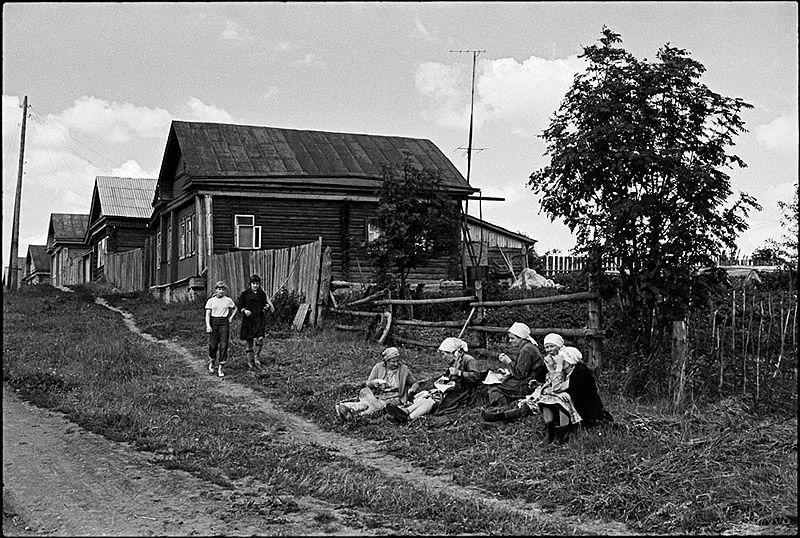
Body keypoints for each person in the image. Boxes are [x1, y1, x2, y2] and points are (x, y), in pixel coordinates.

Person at [384, 337, 485, 423]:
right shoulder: (455, 360)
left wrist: (459, 373)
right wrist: (439, 386)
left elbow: (476, 376)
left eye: (445, 354)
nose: (443, 357)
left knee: (432, 401)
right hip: (454, 390)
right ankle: (404, 412)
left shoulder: (469, 360)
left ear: (454, 352)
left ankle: (407, 418)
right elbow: (447, 377)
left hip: (464, 393)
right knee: (427, 397)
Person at [335, 347, 417, 420]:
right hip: (378, 395)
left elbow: (415, 383)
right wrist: (374, 383)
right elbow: (368, 383)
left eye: (397, 361)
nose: (396, 364)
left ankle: (356, 415)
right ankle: (347, 409)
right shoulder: (378, 367)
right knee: (366, 404)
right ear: (386, 361)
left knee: (379, 406)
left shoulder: (404, 370)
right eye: (393, 361)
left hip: (394, 398)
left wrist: (412, 389)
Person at [485, 322, 545, 409]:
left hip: (529, 383)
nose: (510, 341)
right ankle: (508, 403)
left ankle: (502, 408)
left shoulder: (526, 350)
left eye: (513, 338)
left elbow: (520, 374)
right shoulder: (527, 347)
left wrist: (508, 362)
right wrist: (508, 374)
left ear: (521, 338)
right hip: (530, 379)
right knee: (501, 381)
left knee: (494, 387)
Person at [237, 274, 275, 370]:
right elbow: (239, 305)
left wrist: (266, 307)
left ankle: (257, 356)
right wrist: (244, 311)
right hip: (249, 320)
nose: (255, 285)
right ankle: (250, 362)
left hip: (259, 319)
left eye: (257, 283)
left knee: (260, 338)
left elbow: (265, 305)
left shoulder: (262, 294)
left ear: (259, 284)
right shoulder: (245, 294)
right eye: (253, 283)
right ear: (250, 284)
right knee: (249, 341)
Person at [205, 281, 238, 378]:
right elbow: (207, 314)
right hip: (214, 322)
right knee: (213, 345)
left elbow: (235, 308)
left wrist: (231, 317)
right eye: (219, 289)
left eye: (223, 289)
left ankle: (220, 368)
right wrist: (208, 325)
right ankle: (212, 362)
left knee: (224, 345)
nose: (221, 291)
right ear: (216, 290)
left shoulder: (228, 300)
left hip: (224, 323)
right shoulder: (211, 301)